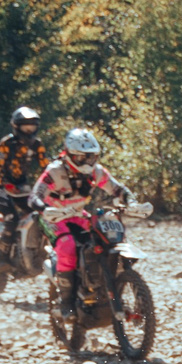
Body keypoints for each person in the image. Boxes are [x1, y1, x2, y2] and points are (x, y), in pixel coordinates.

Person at [32, 128, 130, 317]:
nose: (87, 163)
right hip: (53, 217)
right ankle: (66, 302)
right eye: (82, 158)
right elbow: (35, 196)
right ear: (70, 155)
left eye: (91, 157)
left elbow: (117, 189)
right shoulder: (55, 171)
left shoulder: (97, 172)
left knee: (107, 238)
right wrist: (44, 209)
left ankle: (109, 286)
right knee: (68, 246)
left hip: (78, 214)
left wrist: (132, 202)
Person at [0, 106, 47, 258]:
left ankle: (28, 251)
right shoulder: (6, 144)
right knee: (11, 220)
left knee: (39, 215)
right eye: (25, 127)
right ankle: (1, 258)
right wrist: (5, 183)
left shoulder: (37, 145)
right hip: (2, 188)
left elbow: (46, 168)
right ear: (16, 126)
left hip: (23, 188)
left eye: (32, 127)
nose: (29, 131)